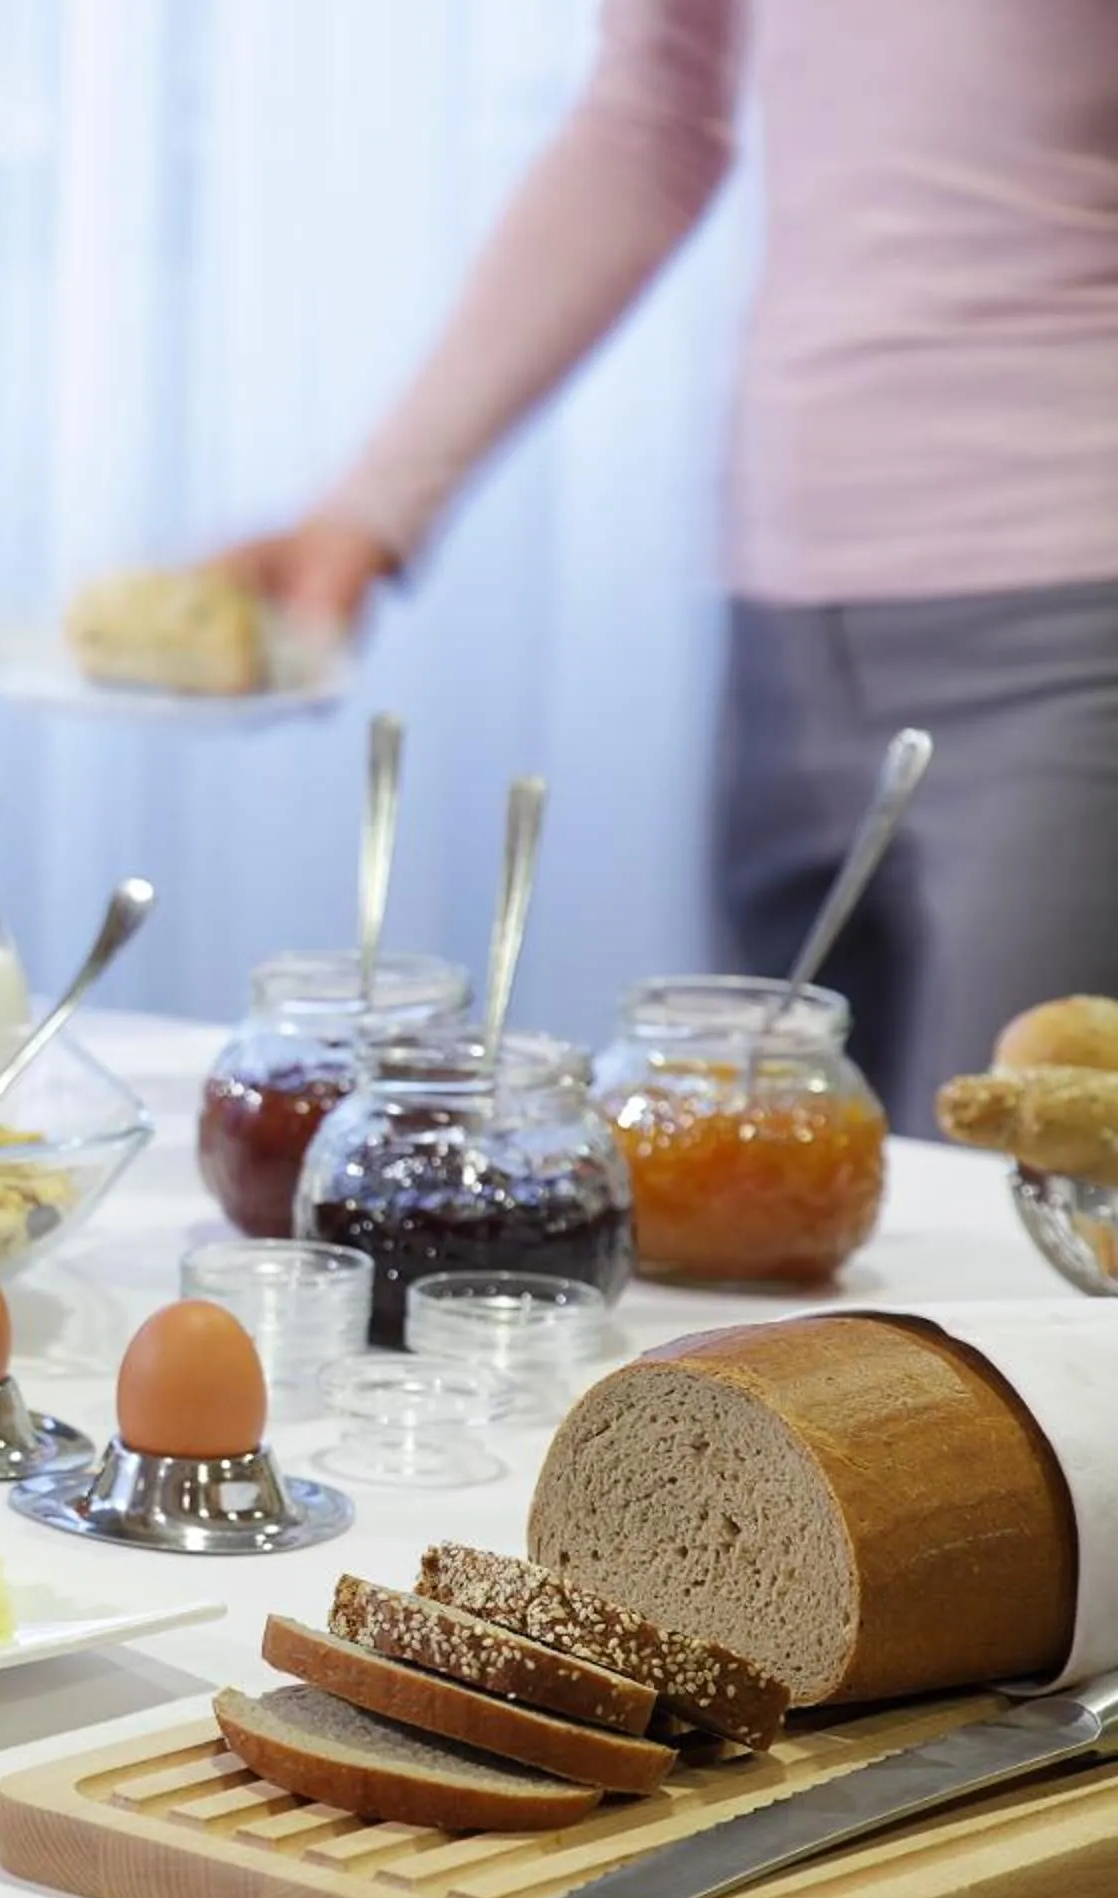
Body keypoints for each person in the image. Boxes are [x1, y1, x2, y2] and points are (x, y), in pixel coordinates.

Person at [219, 0, 1118, 1134]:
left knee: (1034, 1227)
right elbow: (645, 122)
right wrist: (369, 510)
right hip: (785, 625)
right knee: (772, 1221)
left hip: (1074, 619)